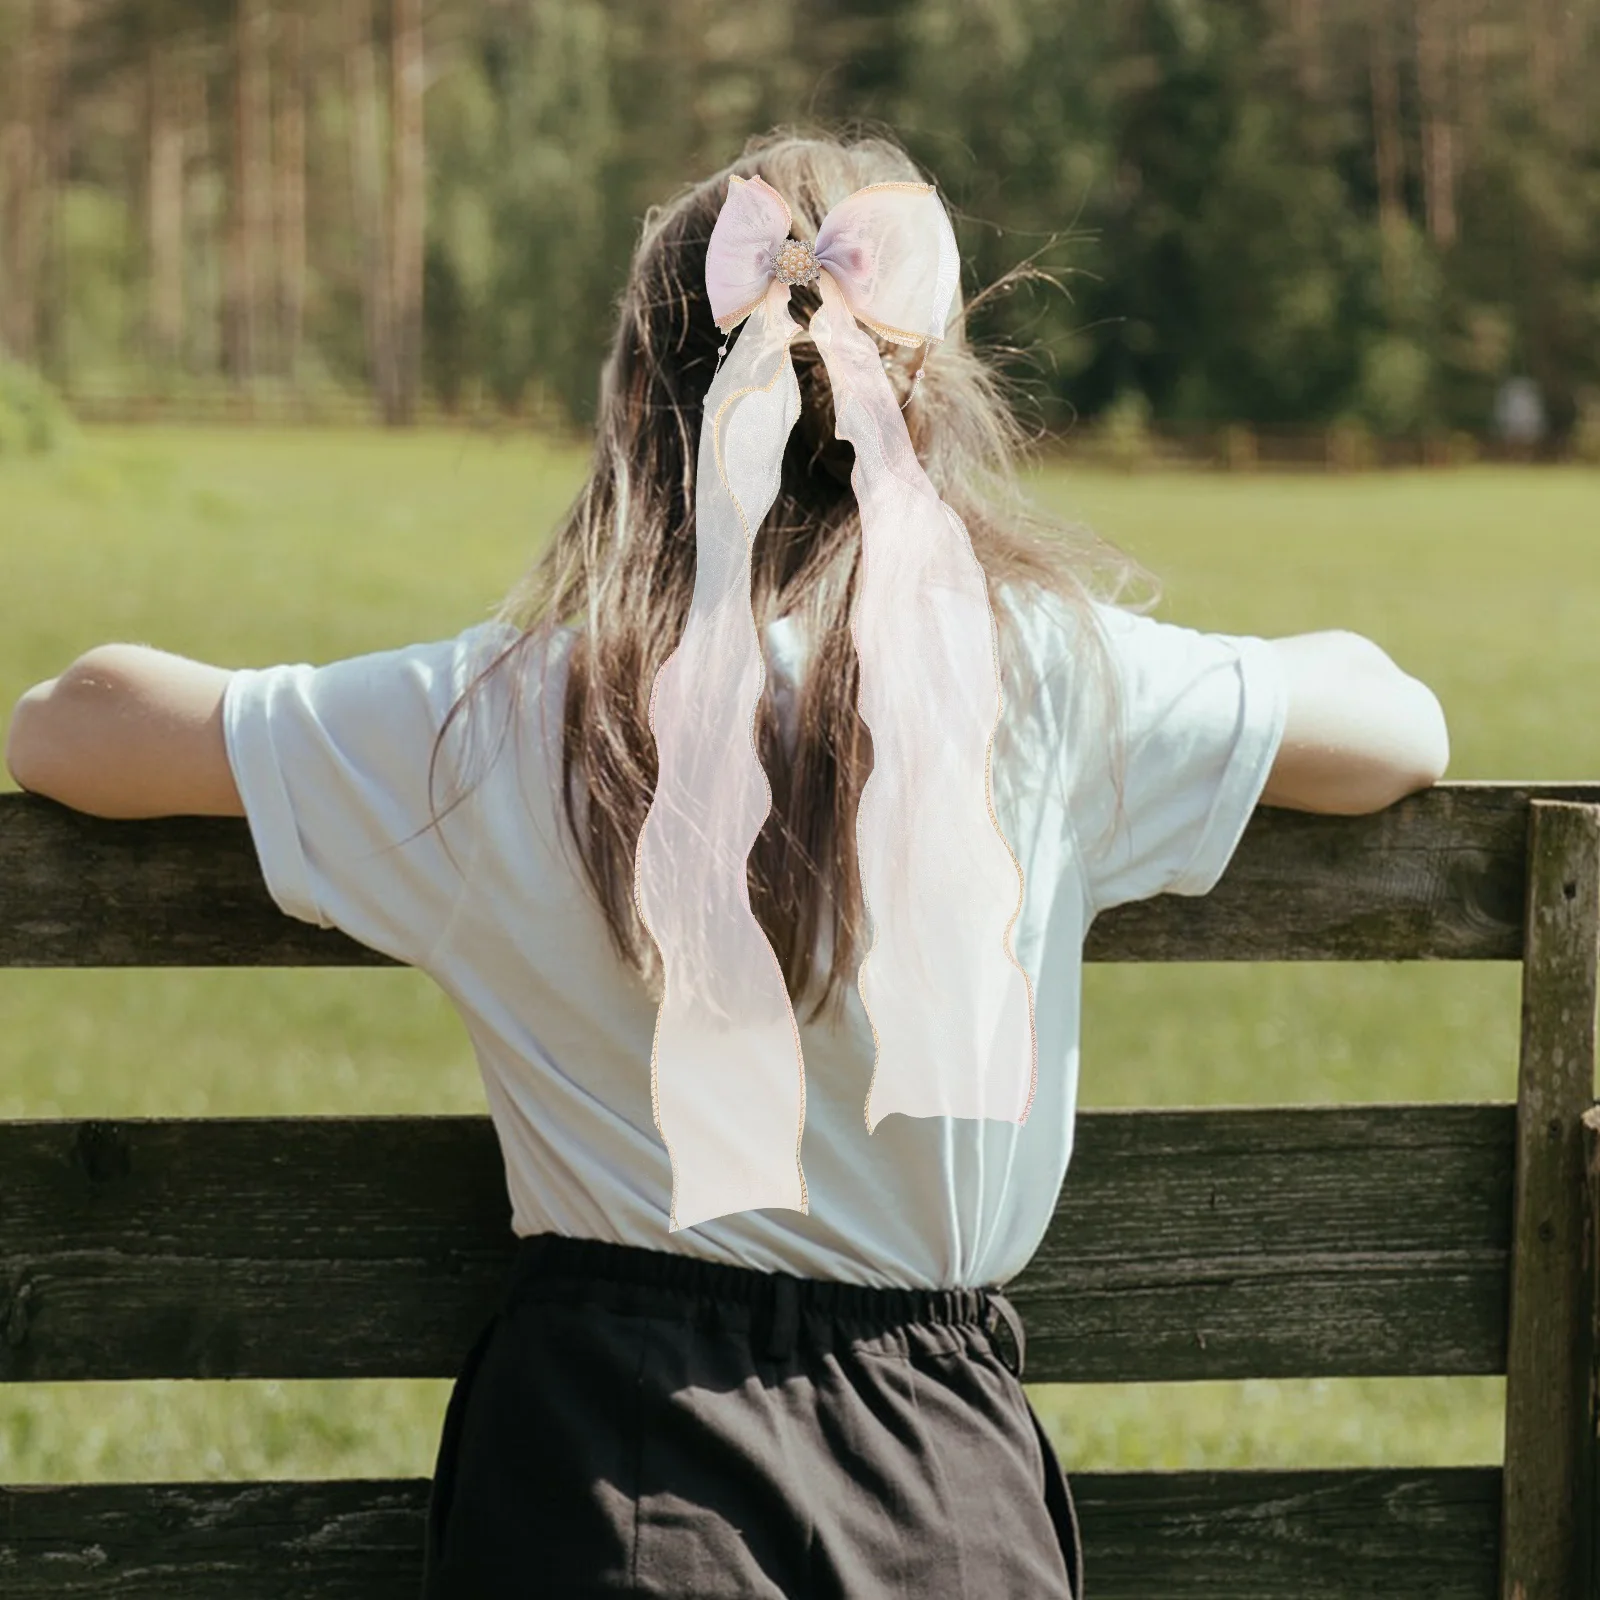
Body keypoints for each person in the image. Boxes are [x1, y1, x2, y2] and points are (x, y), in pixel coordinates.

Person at [3, 127, 1451, 1600]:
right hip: (941, 1492)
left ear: (645, 406)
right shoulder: (1047, 682)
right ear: (927, 396)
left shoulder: (503, 719)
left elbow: (68, 725)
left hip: (600, 1483)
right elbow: (1400, 725)